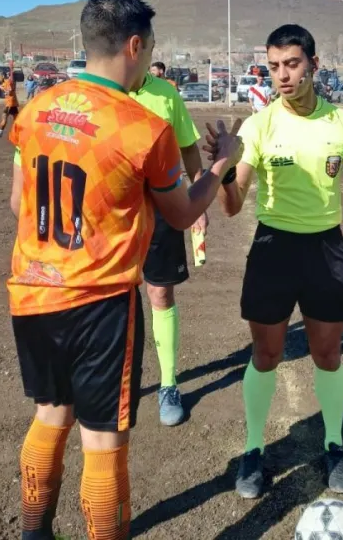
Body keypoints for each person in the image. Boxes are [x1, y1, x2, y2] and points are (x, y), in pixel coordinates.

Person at [6, 0, 242, 540]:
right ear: (135, 46)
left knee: (50, 414)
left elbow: (19, 204)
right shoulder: (142, 126)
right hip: (100, 305)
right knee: (103, 440)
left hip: (32, 291)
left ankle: (35, 531)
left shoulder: (37, 108)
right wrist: (223, 161)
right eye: (151, 47)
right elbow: (182, 214)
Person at [206, 23, 343, 499]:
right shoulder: (260, 124)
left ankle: (333, 444)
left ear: (313, 64)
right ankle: (253, 450)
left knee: (327, 355)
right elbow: (231, 204)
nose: (282, 76)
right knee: (266, 355)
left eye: (291, 64)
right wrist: (225, 170)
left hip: (326, 252)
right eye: (273, 67)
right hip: (273, 251)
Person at [131, 69, 209, 426]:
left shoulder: (165, 94)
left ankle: (168, 383)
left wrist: (198, 207)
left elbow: (190, 150)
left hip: (161, 207)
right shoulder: (94, 93)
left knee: (160, 293)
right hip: (110, 209)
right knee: (110, 295)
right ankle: (118, 381)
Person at [0, 68, 19, 137]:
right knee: (16, 118)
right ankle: (19, 131)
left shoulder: (7, 82)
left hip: (10, 103)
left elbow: (10, 91)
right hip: (12, 103)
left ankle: (1, 131)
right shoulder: (5, 83)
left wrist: (5, 90)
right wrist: (2, 87)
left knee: (4, 115)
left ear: (3, 76)